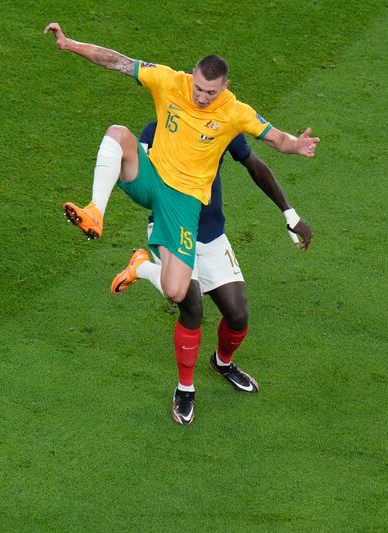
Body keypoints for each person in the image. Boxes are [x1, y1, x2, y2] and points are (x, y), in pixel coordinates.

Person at [44, 23, 320, 424]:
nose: (202, 97)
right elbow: (116, 61)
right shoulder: (170, 83)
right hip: (156, 185)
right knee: (118, 134)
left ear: (224, 88)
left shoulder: (233, 113)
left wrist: (293, 144)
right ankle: (95, 212)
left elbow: (271, 138)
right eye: (199, 88)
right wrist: (70, 45)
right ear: (192, 76)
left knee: (196, 298)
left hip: (187, 207)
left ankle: (145, 270)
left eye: (211, 92)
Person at [112, 121, 312, 397]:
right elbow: (137, 177)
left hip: (212, 233)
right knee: (192, 308)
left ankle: (222, 363)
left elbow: (254, 164)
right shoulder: (155, 131)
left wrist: (290, 214)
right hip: (170, 230)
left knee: (238, 315)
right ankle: (185, 389)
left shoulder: (222, 123)